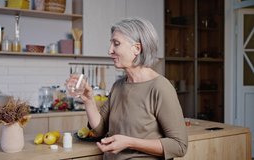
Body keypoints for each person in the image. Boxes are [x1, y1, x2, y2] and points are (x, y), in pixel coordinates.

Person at [72, 17, 188, 160]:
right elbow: (100, 130)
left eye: (116, 44)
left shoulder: (160, 88)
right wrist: (88, 100)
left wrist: (129, 143)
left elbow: (179, 146)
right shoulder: (118, 86)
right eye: (111, 44)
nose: (110, 51)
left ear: (137, 49)